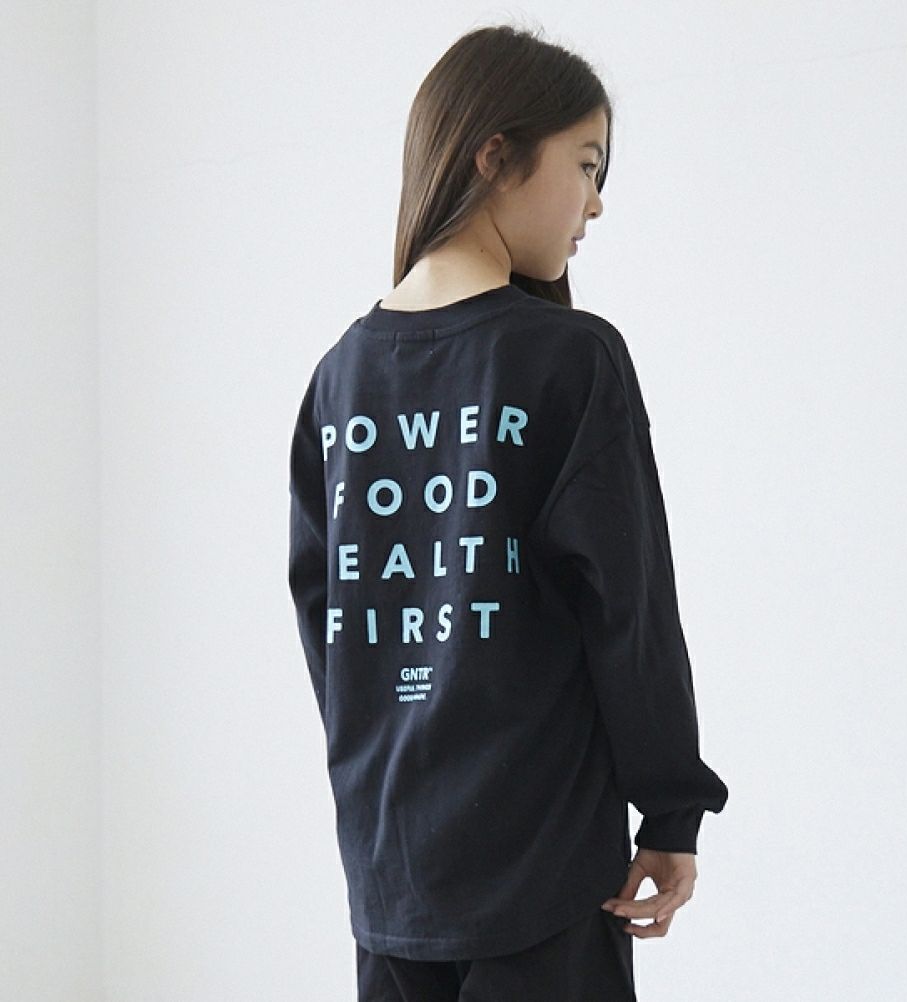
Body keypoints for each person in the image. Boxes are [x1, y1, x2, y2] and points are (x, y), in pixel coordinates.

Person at [287, 22, 729, 1002]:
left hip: (390, 874)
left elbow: (332, 632)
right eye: (585, 164)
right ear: (495, 156)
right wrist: (671, 809)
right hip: (542, 869)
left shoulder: (338, 381)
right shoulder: (570, 359)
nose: (596, 202)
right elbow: (629, 608)